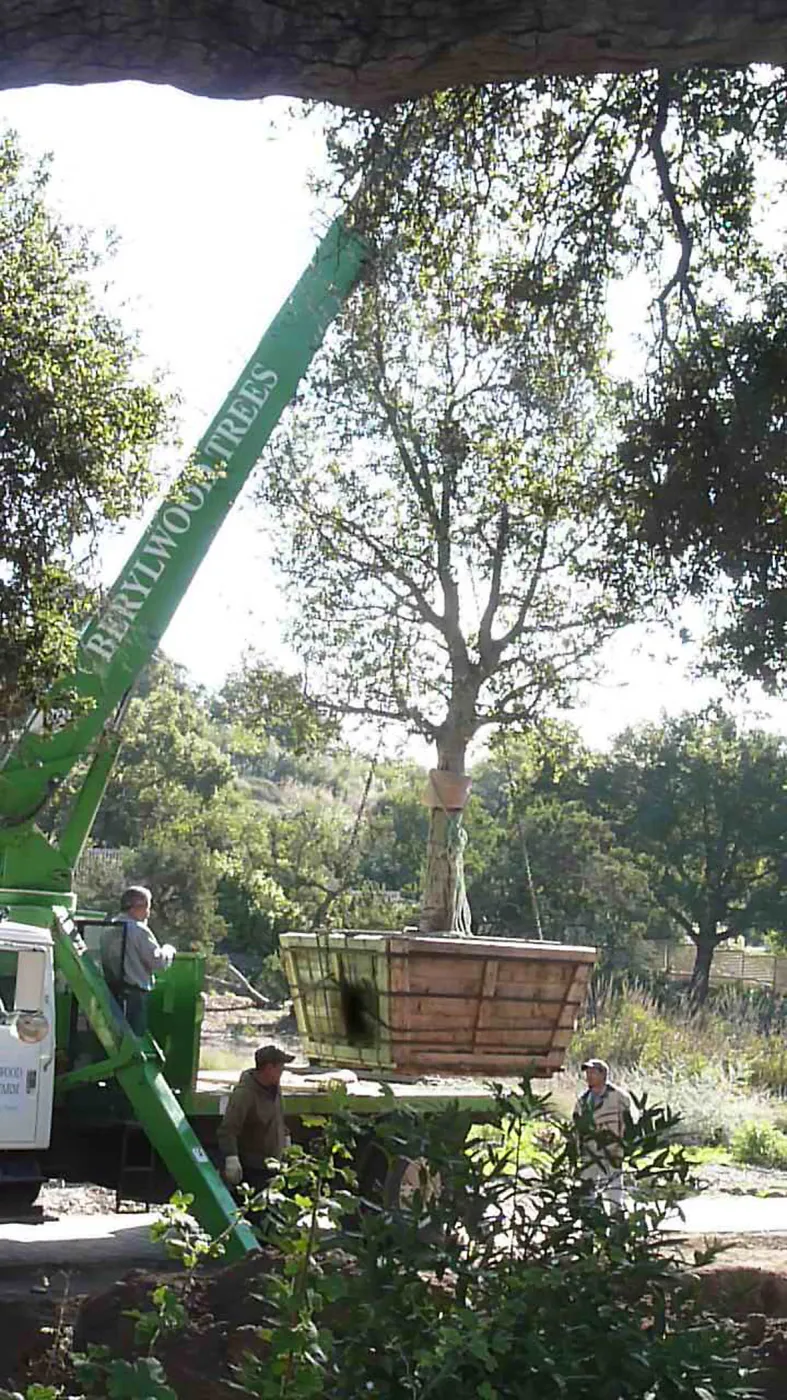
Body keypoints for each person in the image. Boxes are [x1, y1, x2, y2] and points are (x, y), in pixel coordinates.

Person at [217, 1044, 295, 1191]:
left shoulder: (275, 1089)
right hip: (253, 1170)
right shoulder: (244, 1094)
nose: (282, 1072)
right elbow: (228, 1130)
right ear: (268, 1068)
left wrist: (286, 1139)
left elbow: (278, 1118)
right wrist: (231, 1157)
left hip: (273, 1166)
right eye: (280, 1067)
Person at [100, 885, 175, 1036]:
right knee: (133, 1041)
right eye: (147, 907)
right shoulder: (138, 929)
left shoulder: (108, 928)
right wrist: (169, 950)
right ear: (137, 907)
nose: (148, 913)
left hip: (111, 993)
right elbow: (157, 962)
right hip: (134, 995)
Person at [573, 1057, 633, 1211]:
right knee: (588, 1189)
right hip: (590, 1152)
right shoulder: (583, 1101)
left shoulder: (619, 1097)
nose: (588, 1076)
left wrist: (624, 1146)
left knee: (614, 1190)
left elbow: (629, 1124)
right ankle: (591, 1223)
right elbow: (577, 1126)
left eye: (593, 1072)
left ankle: (617, 1220)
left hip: (613, 1150)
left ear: (603, 1074)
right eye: (587, 1072)